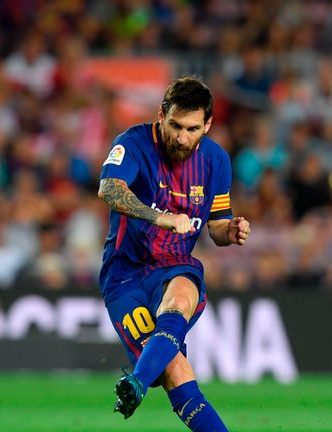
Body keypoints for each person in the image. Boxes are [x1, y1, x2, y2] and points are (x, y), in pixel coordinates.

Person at [97, 77, 250, 431]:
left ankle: (135, 384)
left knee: (180, 298)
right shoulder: (132, 144)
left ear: (207, 124)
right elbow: (109, 188)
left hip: (174, 265)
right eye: (176, 126)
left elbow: (216, 225)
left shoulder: (216, 161)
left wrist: (231, 231)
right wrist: (161, 218)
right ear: (162, 114)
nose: (182, 137)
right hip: (124, 275)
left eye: (193, 129)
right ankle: (141, 381)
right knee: (175, 370)